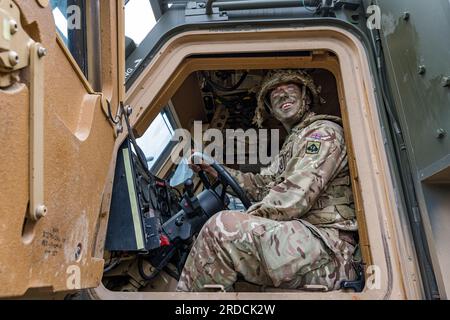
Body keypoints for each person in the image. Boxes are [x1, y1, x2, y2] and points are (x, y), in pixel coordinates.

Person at [176, 69, 358, 292]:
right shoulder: (291, 145)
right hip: (308, 240)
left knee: (222, 230)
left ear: (306, 97)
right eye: (274, 93)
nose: (282, 94)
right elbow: (263, 186)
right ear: (270, 109)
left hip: (330, 248)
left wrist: (244, 219)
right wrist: (215, 170)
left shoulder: (323, 133)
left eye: (290, 88)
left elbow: (295, 196)